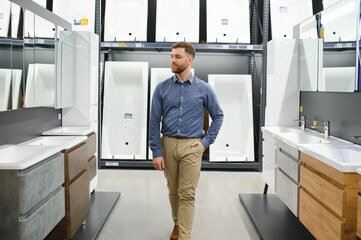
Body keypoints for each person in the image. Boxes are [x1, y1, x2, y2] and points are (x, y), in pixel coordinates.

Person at [149, 41, 224, 240]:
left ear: (190, 60)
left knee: (187, 193)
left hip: (192, 146)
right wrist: (156, 151)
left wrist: (205, 143)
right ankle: (177, 223)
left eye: (178, 57)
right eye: (172, 56)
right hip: (168, 145)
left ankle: (184, 235)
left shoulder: (204, 89)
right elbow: (154, 121)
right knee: (173, 191)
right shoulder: (161, 88)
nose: (173, 60)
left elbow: (219, 116)